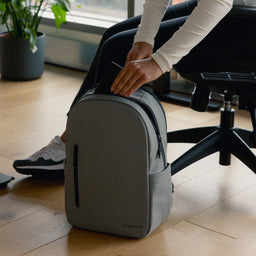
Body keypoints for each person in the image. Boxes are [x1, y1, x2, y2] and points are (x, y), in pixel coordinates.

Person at [13, 0, 256, 176]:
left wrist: (159, 62)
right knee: (116, 36)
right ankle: (82, 139)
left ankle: (76, 144)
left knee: (116, 48)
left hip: (246, 24)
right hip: (229, 7)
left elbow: (218, 2)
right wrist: (144, 40)